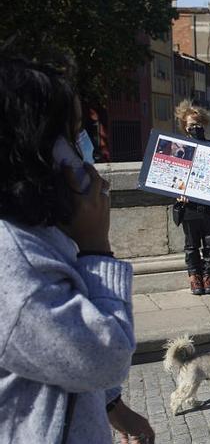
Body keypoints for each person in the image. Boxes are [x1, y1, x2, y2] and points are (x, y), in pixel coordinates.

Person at [0, 56, 154, 443]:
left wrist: (115, 410)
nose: (82, 148)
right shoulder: (14, 261)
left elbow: (58, 350)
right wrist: (97, 249)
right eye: (72, 134)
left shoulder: (35, 232)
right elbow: (103, 357)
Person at [174, 100, 210, 295]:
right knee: (191, 245)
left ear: (204, 124)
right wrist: (179, 193)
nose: (195, 128)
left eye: (198, 124)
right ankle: (194, 278)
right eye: (191, 125)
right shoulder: (179, 150)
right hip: (189, 207)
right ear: (184, 128)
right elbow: (173, 176)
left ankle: (208, 276)